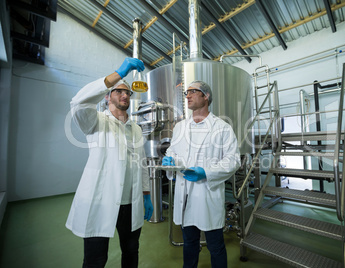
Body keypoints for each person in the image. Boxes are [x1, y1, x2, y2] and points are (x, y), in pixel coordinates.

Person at [66, 57, 153, 268]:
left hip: (130, 203)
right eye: (119, 91)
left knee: (131, 252)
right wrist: (119, 73)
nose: (125, 95)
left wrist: (146, 194)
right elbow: (78, 102)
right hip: (101, 201)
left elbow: (141, 163)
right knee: (96, 259)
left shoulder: (136, 128)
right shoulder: (95, 121)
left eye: (128, 93)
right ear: (107, 97)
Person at [162, 81, 240, 268]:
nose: (187, 96)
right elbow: (172, 151)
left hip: (207, 193)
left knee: (216, 246)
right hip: (185, 195)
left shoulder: (222, 128)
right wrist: (169, 161)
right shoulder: (180, 127)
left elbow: (233, 160)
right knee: (189, 243)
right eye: (186, 92)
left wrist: (206, 172)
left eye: (192, 92)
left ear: (206, 96)